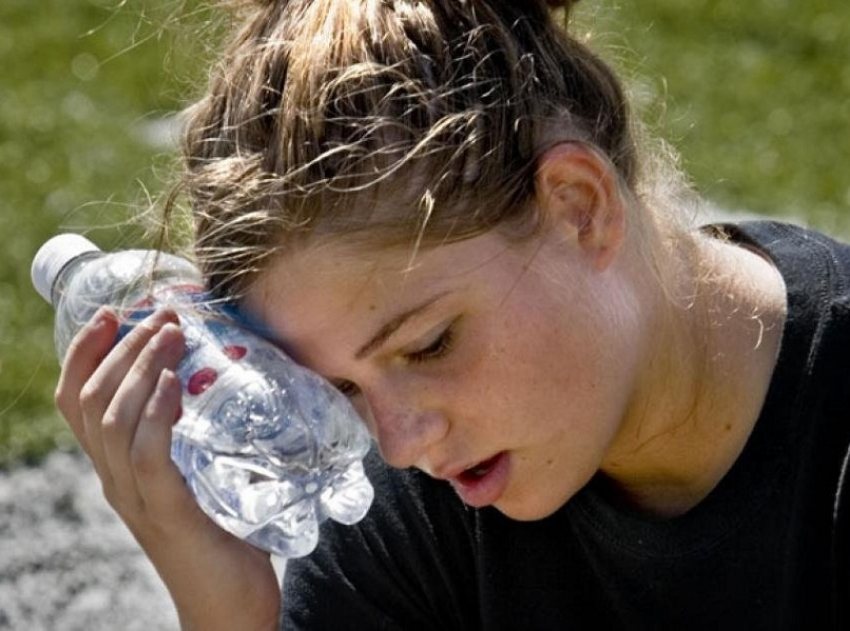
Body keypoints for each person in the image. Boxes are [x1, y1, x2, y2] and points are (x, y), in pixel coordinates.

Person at [53, 0, 850, 628]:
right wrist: (230, 615)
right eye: (345, 389)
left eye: (429, 343)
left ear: (579, 208)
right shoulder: (416, 507)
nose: (400, 443)